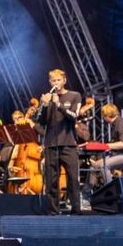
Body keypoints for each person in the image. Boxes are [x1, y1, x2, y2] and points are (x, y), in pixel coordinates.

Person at [32, 69, 82, 215]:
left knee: (73, 178)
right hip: (51, 144)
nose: (56, 83)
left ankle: (76, 210)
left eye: (58, 80)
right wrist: (44, 105)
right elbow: (39, 122)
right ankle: (53, 211)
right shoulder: (48, 99)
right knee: (51, 180)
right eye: (53, 81)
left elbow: (74, 116)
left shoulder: (74, 96)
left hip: (69, 143)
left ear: (64, 80)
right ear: (49, 82)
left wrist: (59, 104)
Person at [97, 104, 123, 185]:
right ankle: (86, 192)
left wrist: (106, 146)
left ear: (107, 115)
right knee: (95, 166)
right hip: (121, 154)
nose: (103, 118)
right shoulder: (116, 124)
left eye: (103, 116)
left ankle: (110, 191)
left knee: (104, 165)